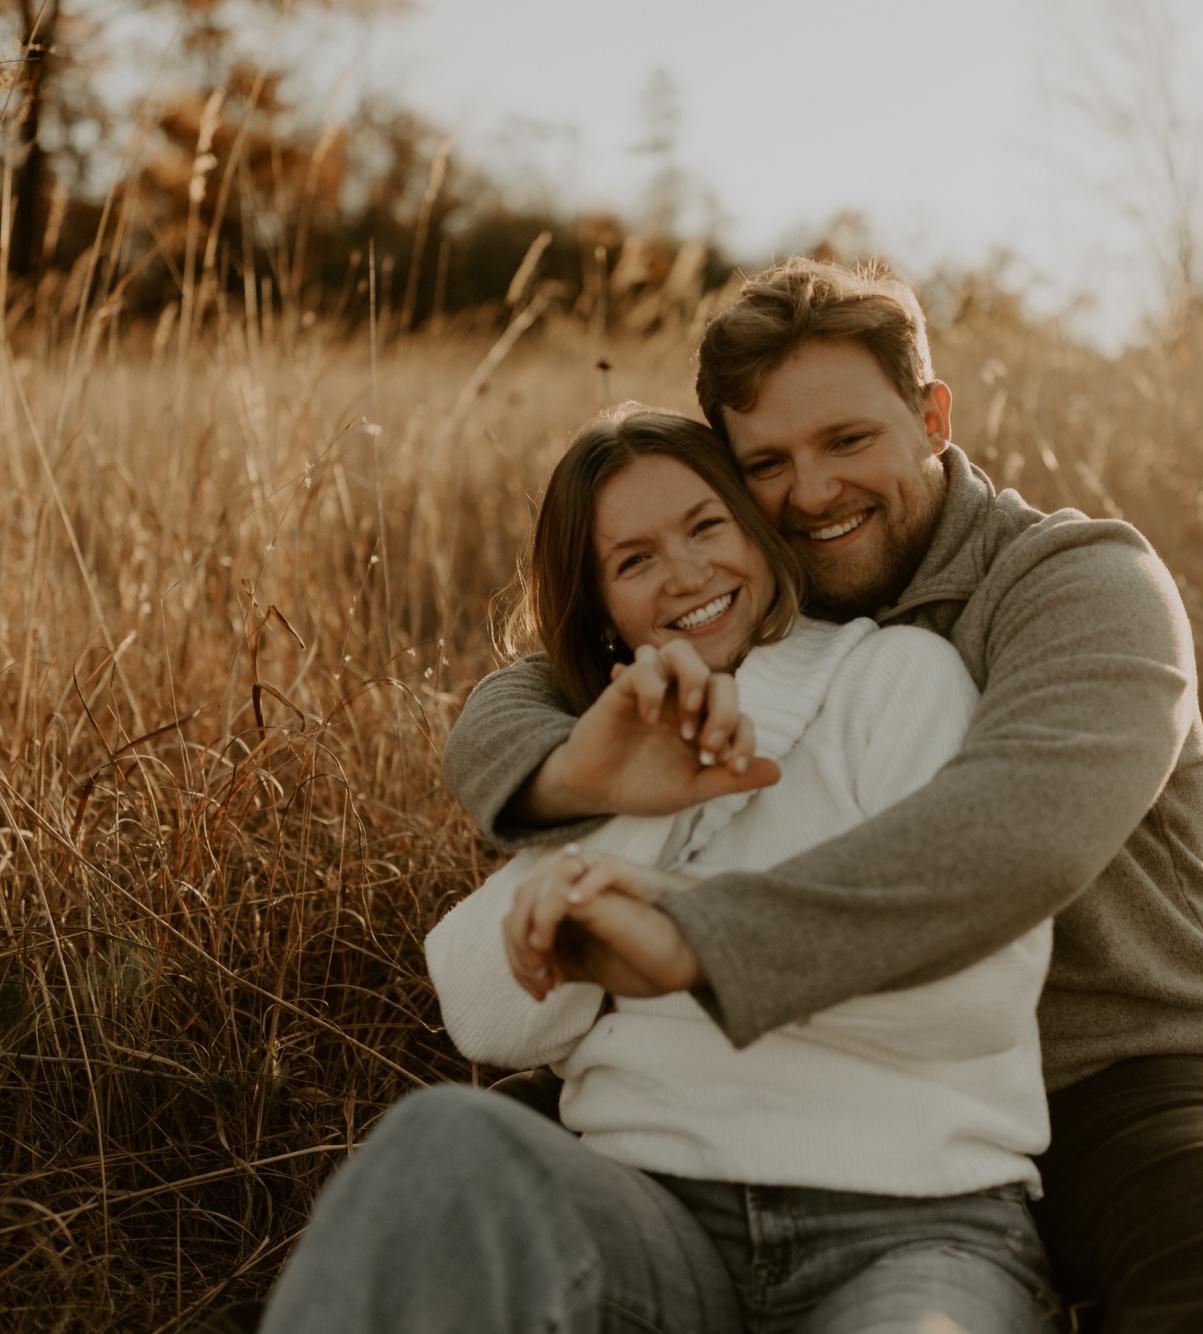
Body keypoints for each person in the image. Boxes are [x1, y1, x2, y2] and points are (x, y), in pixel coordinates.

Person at [437, 260, 1203, 1334]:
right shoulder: (763, 591)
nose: (812, 492)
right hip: (819, 1061)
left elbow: (1015, 839)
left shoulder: (1077, 582)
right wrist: (572, 775)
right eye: (766, 463)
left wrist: (693, 936)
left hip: (1113, 1074)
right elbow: (526, 690)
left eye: (847, 441)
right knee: (446, 1177)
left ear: (931, 417)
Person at [259, 406, 1063, 1334]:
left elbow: (976, 999)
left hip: (910, 1228)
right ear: (602, 609)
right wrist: (638, 807)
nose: (685, 574)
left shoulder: (896, 680)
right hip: (655, 1223)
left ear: (757, 531)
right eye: (634, 560)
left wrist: (687, 932)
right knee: (441, 1140)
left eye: (706, 527)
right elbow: (486, 1017)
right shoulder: (604, 744)